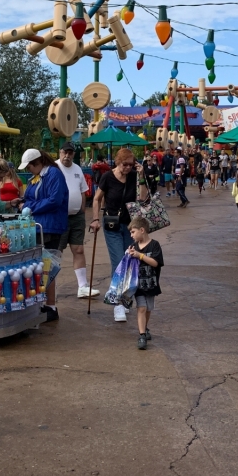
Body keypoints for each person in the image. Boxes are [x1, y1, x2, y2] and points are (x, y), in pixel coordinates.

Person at [90, 148, 149, 323]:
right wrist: (95, 219)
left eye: (131, 165)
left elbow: (143, 198)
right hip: (112, 226)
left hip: (131, 227)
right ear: (118, 162)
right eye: (125, 164)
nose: (128, 168)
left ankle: (125, 299)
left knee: (130, 262)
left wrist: (142, 175)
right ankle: (117, 305)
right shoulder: (107, 177)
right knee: (118, 264)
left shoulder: (133, 176)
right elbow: (96, 198)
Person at [19, 148, 69, 321]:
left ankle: (50, 305)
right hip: (38, 226)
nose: (28, 170)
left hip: (50, 226)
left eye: (30, 167)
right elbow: (31, 198)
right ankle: (42, 303)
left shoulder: (53, 174)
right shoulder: (37, 177)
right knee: (40, 266)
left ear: (38, 163)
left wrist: (30, 207)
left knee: (47, 266)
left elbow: (55, 200)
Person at [57, 143, 98, 299]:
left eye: (70, 153)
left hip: (76, 217)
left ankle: (82, 286)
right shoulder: (54, 168)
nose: (67, 155)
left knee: (79, 249)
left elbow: (83, 190)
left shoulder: (77, 169)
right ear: (60, 152)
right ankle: (49, 287)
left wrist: (82, 208)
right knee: (56, 252)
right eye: (64, 152)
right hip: (60, 217)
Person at [128, 215, 164, 350]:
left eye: (133, 232)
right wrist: (128, 255)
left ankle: (145, 328)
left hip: (151, 283)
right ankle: (142, 334)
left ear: (142, 230)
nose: (131, 235)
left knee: (148, 309)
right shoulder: (133, 246)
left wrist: (140, 255)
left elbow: (156, 263)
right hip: (138, 285)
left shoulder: (155, 245)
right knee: (141, 308)